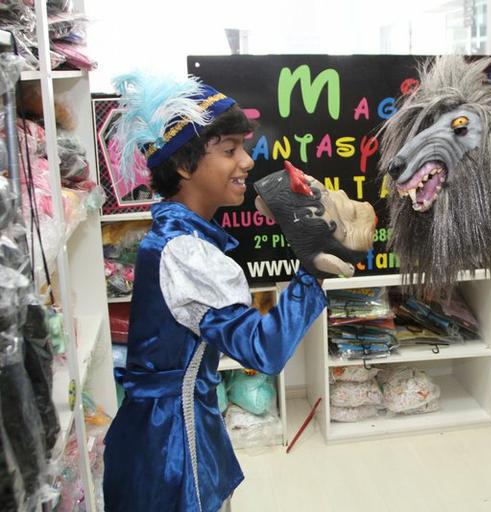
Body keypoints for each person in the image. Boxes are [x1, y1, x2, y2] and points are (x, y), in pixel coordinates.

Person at [102, 73, 328, 512]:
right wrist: (312, 270)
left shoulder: (179, 237)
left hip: (165, 427)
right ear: (184, 167)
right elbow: (264, 350)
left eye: (242, 147)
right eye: (229, 150)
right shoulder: (186, 251)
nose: (247, 161)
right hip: (172, 444)